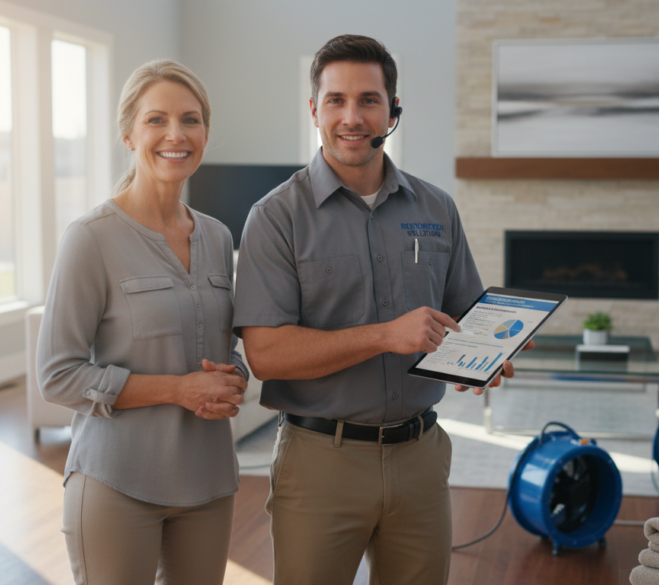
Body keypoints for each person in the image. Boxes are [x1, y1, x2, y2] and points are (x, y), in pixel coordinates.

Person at [213, 35, 530, 584]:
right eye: (336, 100)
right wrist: (385, 336)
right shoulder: (275, 217)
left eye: (369, 99)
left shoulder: (436, 207)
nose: (352, 116)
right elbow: (266, 355)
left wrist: (486, 355)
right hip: (320, 463)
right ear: (314, 110)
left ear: (394, 109)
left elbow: (465, 313)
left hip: (422, 459)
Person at [36, 59, 248, 585]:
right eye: (157, 120)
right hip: (117, 483)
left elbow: (222, 340)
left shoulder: (220, 237)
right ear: (129, 134)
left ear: (205, 133)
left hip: (209, 483)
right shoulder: (91, 238)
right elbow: (57, 375)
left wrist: (233, 374)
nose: (175, 134)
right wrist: (177, 389)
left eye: (190, 120)